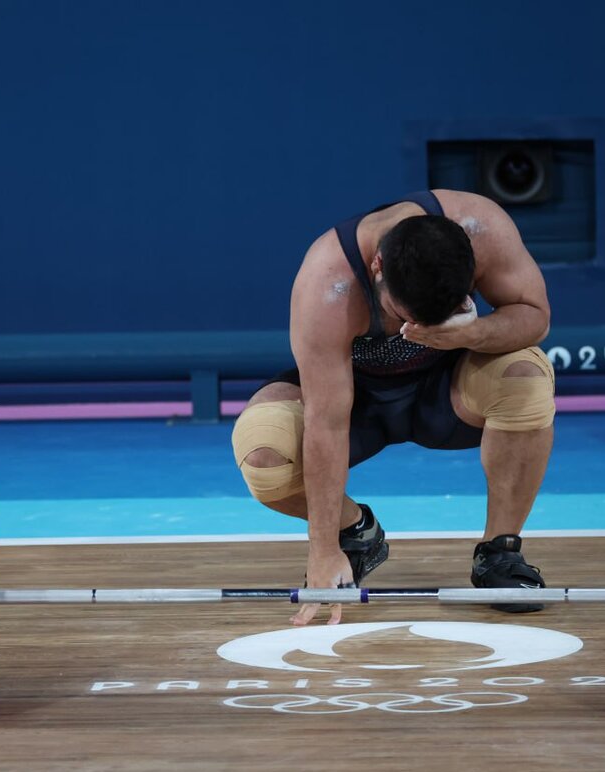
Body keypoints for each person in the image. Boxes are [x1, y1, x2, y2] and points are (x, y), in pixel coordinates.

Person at [231, 189, 555, 625]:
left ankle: (499, 552)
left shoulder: (483, 227)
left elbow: (535, 315)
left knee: (527, 378)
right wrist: (324, 547)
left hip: (447, 391)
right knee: (263, 453)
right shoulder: (327, 282)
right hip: (357, 402)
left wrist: (470, 334)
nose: (415, 329)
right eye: (403, 313)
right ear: (377, 267)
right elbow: (326, 423)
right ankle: (356, 533)